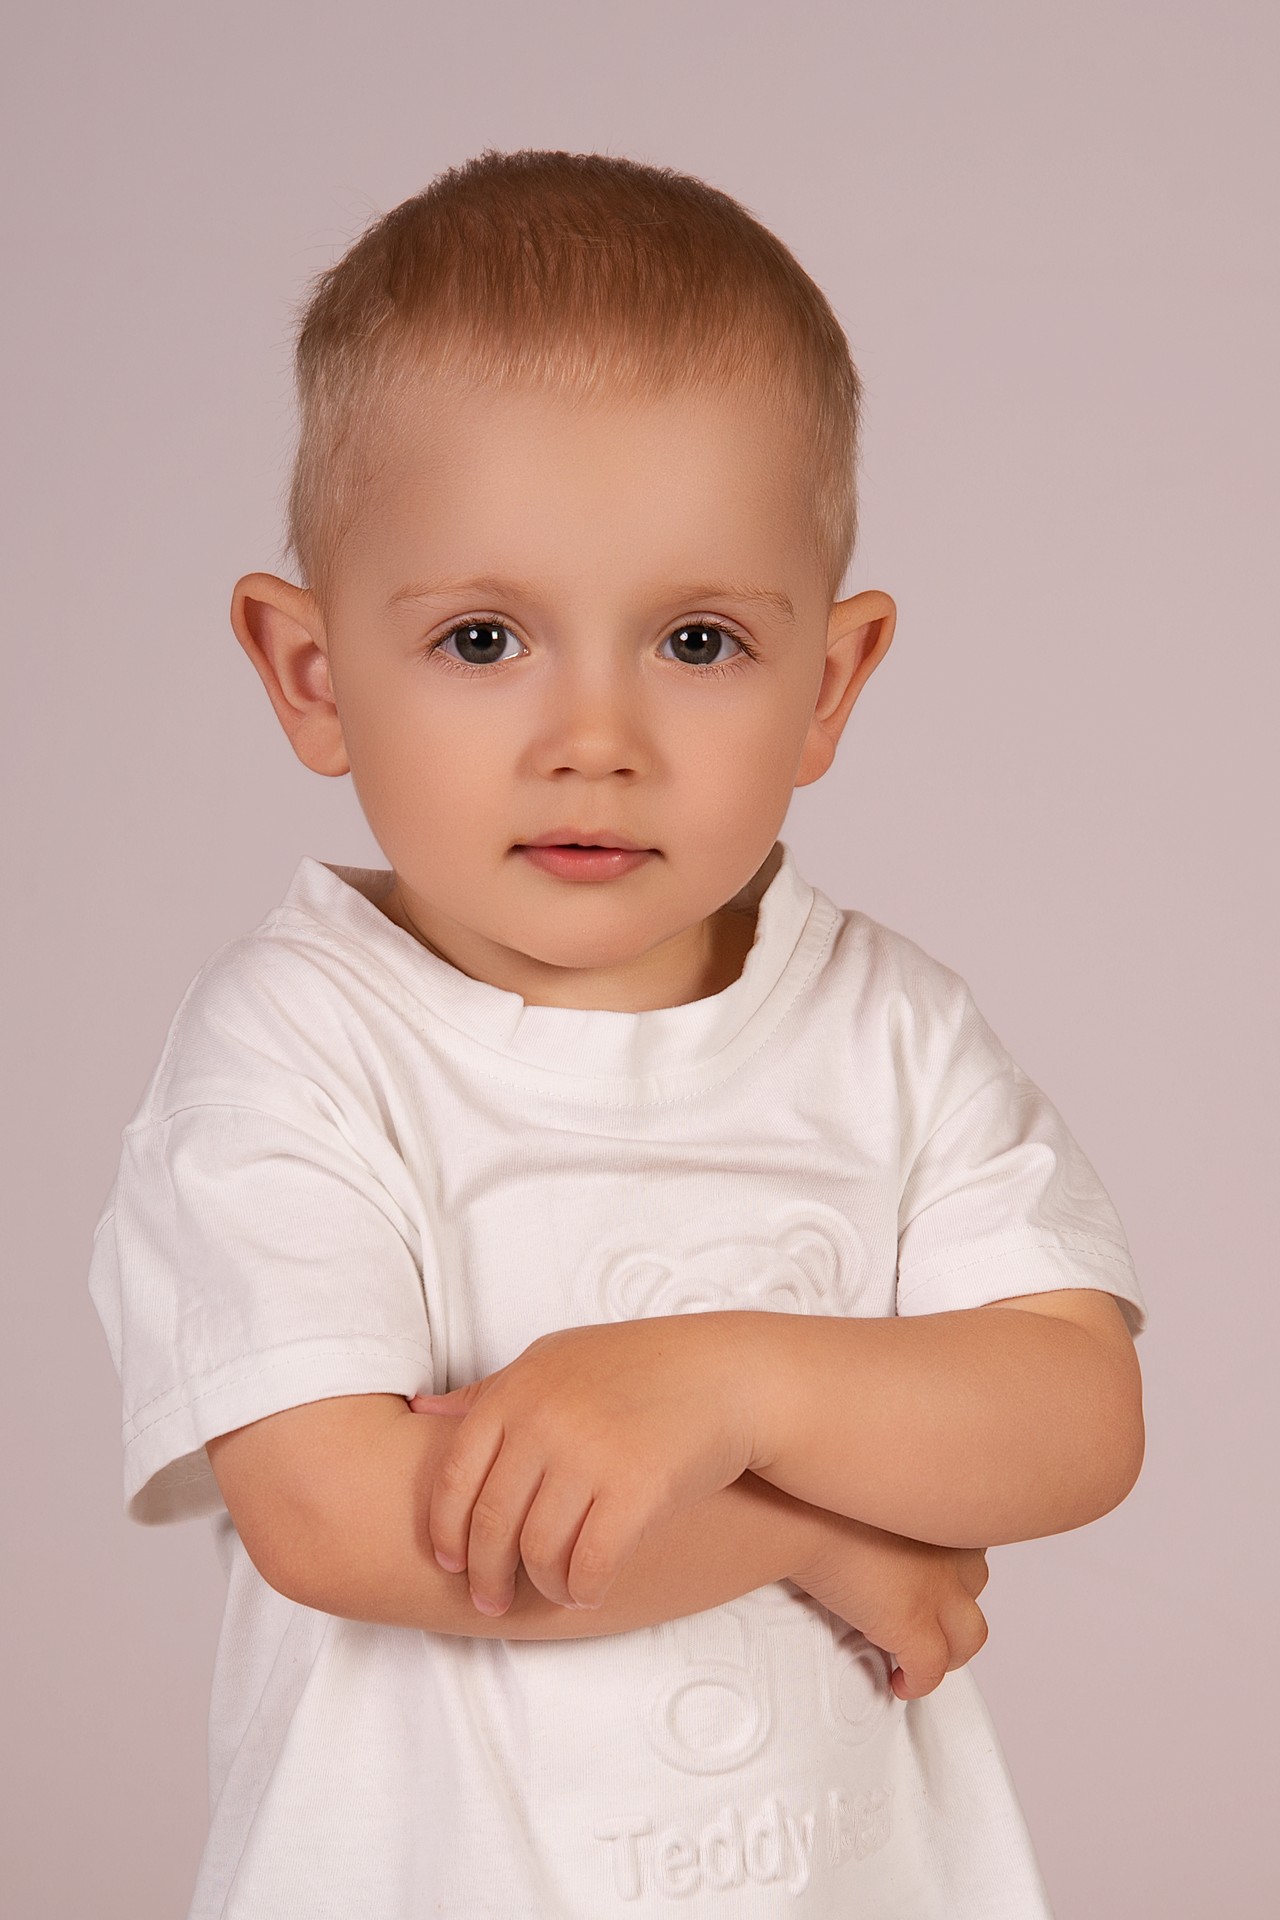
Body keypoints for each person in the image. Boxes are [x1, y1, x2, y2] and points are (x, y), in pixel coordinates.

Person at [87, 147, 1147, 1918]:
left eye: (699, 641)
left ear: (830, 685)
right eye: (483, 637)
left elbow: (1076, 1410)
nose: (595, 736)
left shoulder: (885, 1029)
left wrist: (725, 1386)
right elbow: (341, 1518)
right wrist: (818, 1532)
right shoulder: (296, 1046)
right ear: (313, 675)